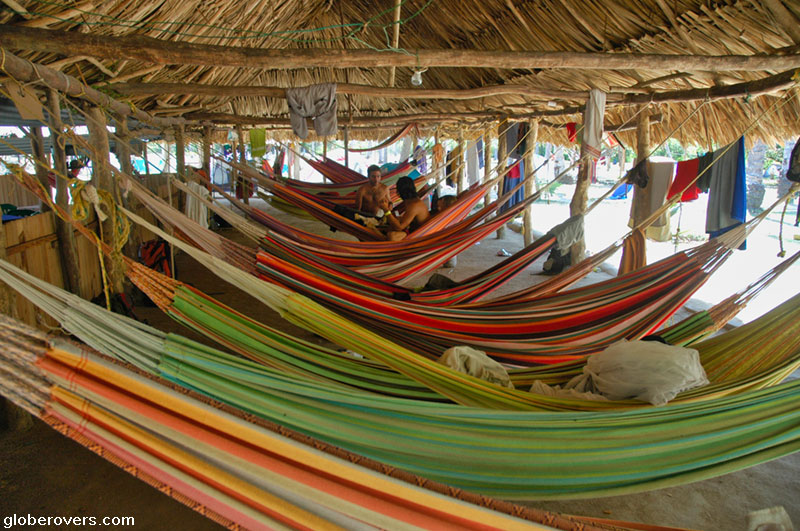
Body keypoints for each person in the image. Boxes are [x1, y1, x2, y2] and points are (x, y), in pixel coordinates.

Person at [380, 176, 430, 241]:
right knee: (388, 227)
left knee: (392, 236)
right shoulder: (411, 201)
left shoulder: (414, 205)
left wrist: (386, 210)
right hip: (412, 231)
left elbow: (399, 227)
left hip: (419, 236)